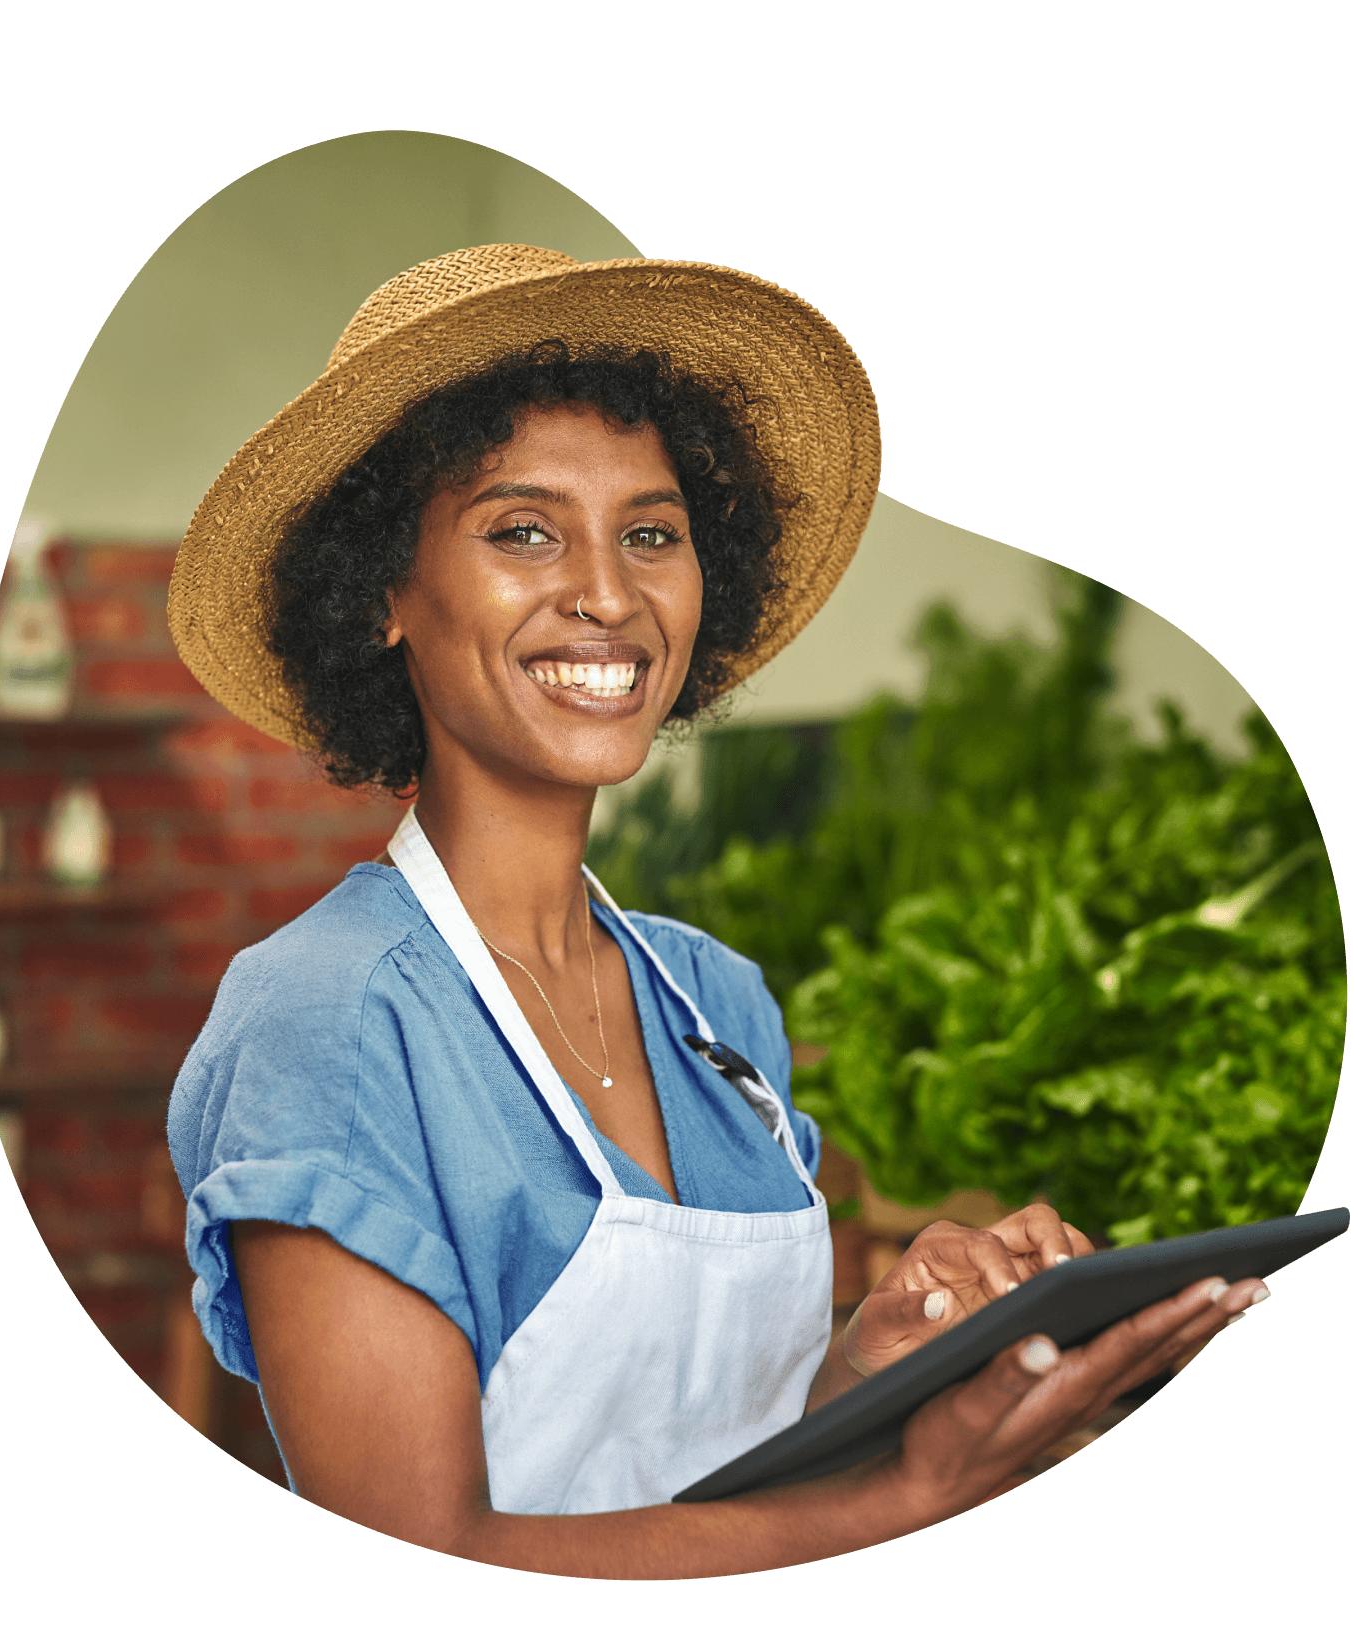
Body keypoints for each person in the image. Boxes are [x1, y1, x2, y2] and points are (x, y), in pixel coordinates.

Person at [165, 245, 1268, 1578]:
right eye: (521, 529)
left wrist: (887, 1354)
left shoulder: (713, 1003)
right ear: (382, 594)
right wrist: (909, 1494)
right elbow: (423, 1534)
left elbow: (724, 1466)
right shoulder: (326, 1015)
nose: (609, 595)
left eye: (651, 531)